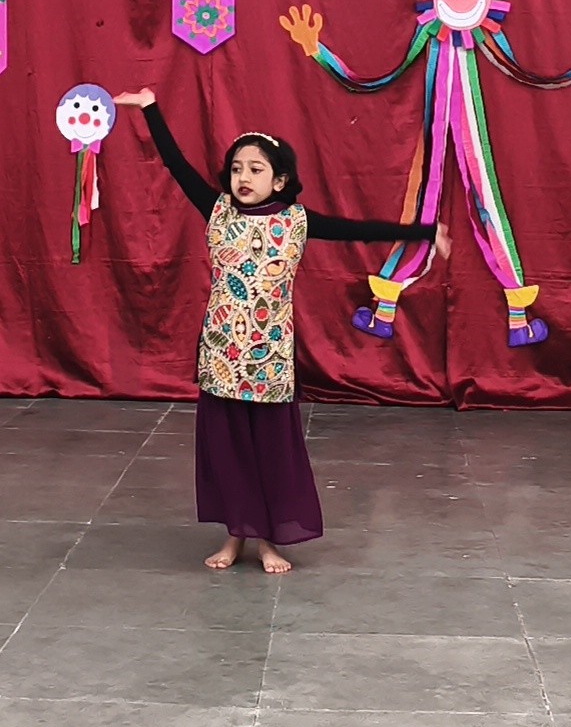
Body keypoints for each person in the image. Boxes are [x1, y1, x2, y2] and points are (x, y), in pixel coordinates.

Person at [115, 88, 448, 574]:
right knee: (228, 452)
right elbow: (176, 165)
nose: (243, 177)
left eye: (256, 169)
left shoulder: (296, 221)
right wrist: (150, 107)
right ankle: (236, 534)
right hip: (222, 354)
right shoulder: (217, 211)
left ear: (280, 179)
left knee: (269, 452)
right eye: (236, 169)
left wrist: (425, 233)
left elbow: (360, 230)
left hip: (269, 359)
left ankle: (269, 539)